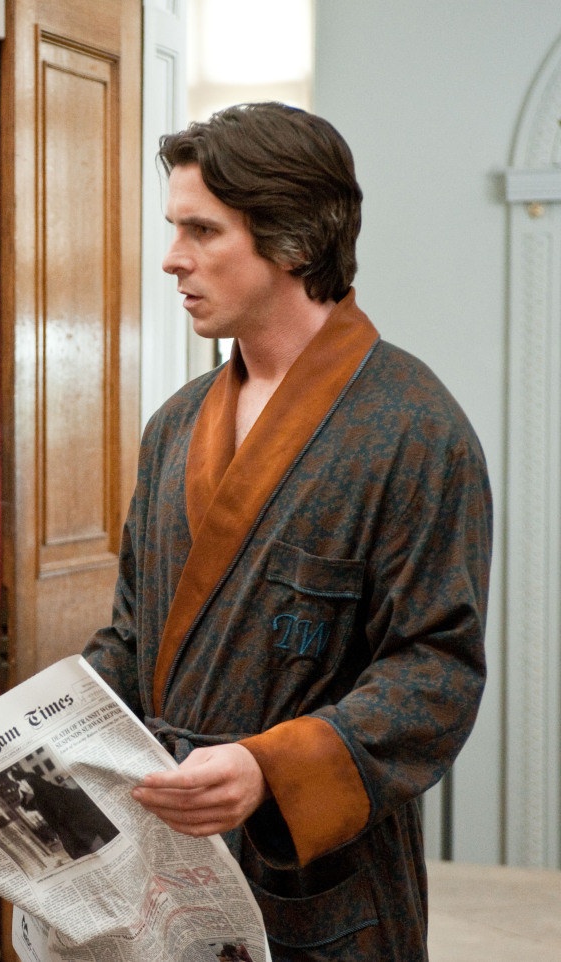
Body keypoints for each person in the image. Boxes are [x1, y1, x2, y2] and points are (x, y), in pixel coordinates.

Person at [83, 103, 491, 961]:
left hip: (319, 889)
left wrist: (271, 768)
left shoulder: (414, 429)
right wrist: (31, 733)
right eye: (174, 228)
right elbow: (130, 636)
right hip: (166, 872)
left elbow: (435, 673)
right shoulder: (174, 426)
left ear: (295, 242)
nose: (171, 259)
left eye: (202, 230)